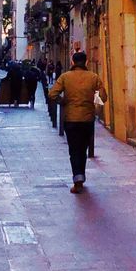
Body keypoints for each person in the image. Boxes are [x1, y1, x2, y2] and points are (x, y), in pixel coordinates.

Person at [48, 51, 106, 194]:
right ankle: (81, 176)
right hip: (87, 119)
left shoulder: (65, 77)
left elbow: (52, 94)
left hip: (71, 119)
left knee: (74, 150)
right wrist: (91, 103)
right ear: (86, 62)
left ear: (73, 62)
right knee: (83, 149)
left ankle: (78, 180)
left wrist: (63, 102)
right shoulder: (94, 77)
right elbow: (103, 97)